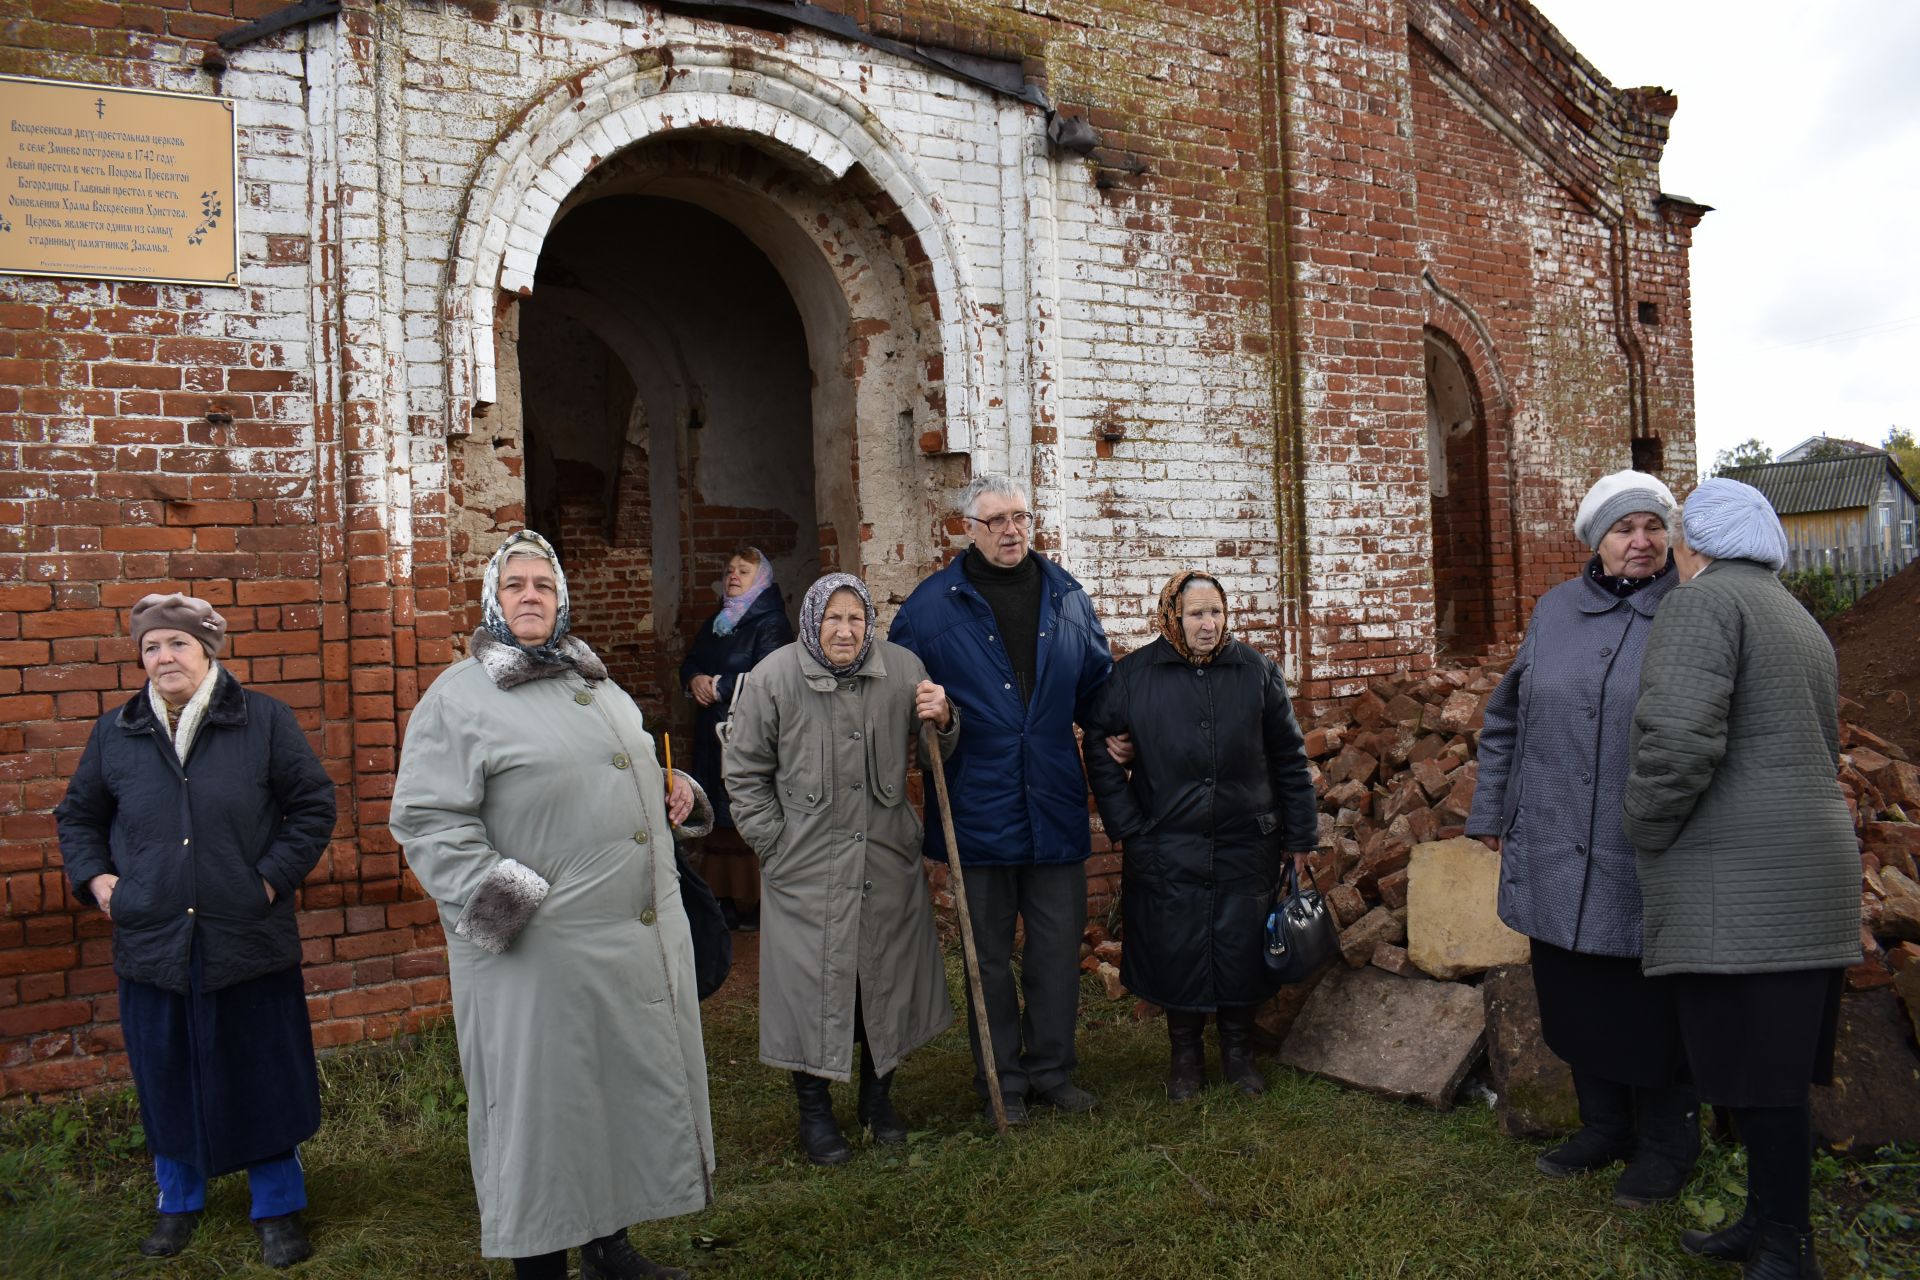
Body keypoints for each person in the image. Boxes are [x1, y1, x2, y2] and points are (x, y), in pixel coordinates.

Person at [389, 530, 711, 1280]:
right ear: (492, 603)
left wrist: (680, 792)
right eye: (514, 586)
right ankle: (540, 1264)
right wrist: (517, 914)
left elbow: (621, 771)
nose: (530, 595)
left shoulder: (595, 682)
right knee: (539, 1114)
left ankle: (609, 1247)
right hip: (536, 952)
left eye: (542, 584)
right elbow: (428, 821)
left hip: (622, 947)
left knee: (612, 1098)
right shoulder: (459, 697)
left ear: (561, 598)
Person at [55, 593, 336, 1268]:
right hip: (152, 941)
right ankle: (177, 1201)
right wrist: (99, 882)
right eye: (151, 647)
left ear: (207, 650)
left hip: (248, 936)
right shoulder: (116, 730)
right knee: (166, 1075)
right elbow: (78, 816)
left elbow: (312, 804)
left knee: (263, 1074)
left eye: (177, 644)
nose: (163, 658)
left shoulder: (262, 720)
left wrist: (267, 880)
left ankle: (276, 1207)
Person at [1624, 480, 1860, 1280]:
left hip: (1744, 878)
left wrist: (1644, 829)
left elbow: (1680, 740)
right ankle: (1764, 1222)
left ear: (1697, 543)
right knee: (1772, 1074)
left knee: (1761, 1076)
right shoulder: (1796, 617)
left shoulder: (1702, 604)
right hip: (1808, 868)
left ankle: (1789, 1249)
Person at [1466, 469, 1700, 1208]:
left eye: (1654, 527)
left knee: (1650, 1002)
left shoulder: (1693, 612)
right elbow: (1505, 719)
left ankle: (1665, 1146)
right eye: (1625, 529)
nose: (1642, 542)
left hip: (1645, 849)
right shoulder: (1556, 611)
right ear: (1595, 542)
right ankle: (1604, 1127)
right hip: (1554, 834)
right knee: (1572, 990)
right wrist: (1493, 813)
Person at [887, 474, 1113, 1123]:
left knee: (1053, 949)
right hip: (976, 808)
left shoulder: (1067, 598)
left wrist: (1119, 735)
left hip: (1053, 803)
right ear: (969, 529)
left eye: (1020, 516)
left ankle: (1051, 1072)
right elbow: (895, 701)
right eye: (996, 520)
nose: (1012, 530)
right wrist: (922, 708)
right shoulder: (930, 610)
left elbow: (1098, 687)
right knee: (987, 957)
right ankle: (1002, 1082)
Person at [721, 573, 958, 1163]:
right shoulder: (773, 677)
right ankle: (814, 1111)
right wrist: (773, 845)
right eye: (833, 618)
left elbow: (937, 754)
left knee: (884, 979)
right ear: (811, 622)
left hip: (885, 861)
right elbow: (743, 773)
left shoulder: (902, 668)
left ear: (869, 622)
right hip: (805, 869)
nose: (845, 630)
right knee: (811, 986)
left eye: (855, 618)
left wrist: (946, 718)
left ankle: (878, 1100)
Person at [1083, 571, 1318, 1100]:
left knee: (1240, 945)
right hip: (1166, 841)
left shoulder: (1256, 671)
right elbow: (1097, 746)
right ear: (1173, 617)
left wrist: (1300, 835)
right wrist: (1130, 826)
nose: (1208, 624)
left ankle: (1238, 1053)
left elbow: (1289, 758)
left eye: (1215, 612)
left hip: (1245, 840)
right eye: (1196, 614)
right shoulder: (1134, 675)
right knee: (1176, 946)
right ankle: (1185, 1056)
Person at [680, 546, 794, 930]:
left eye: (743, 571)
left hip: (746, 734)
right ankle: (725, 900)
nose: (733, 576)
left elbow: (775, 678)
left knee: (747, 817)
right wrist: (694, 679)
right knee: (721, 823)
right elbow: (693, 660)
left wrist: (721, 686)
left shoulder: (771, 623)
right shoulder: (720, 621)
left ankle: (757, 903)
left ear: (761, 580)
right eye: (729, 569)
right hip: (712, 735)